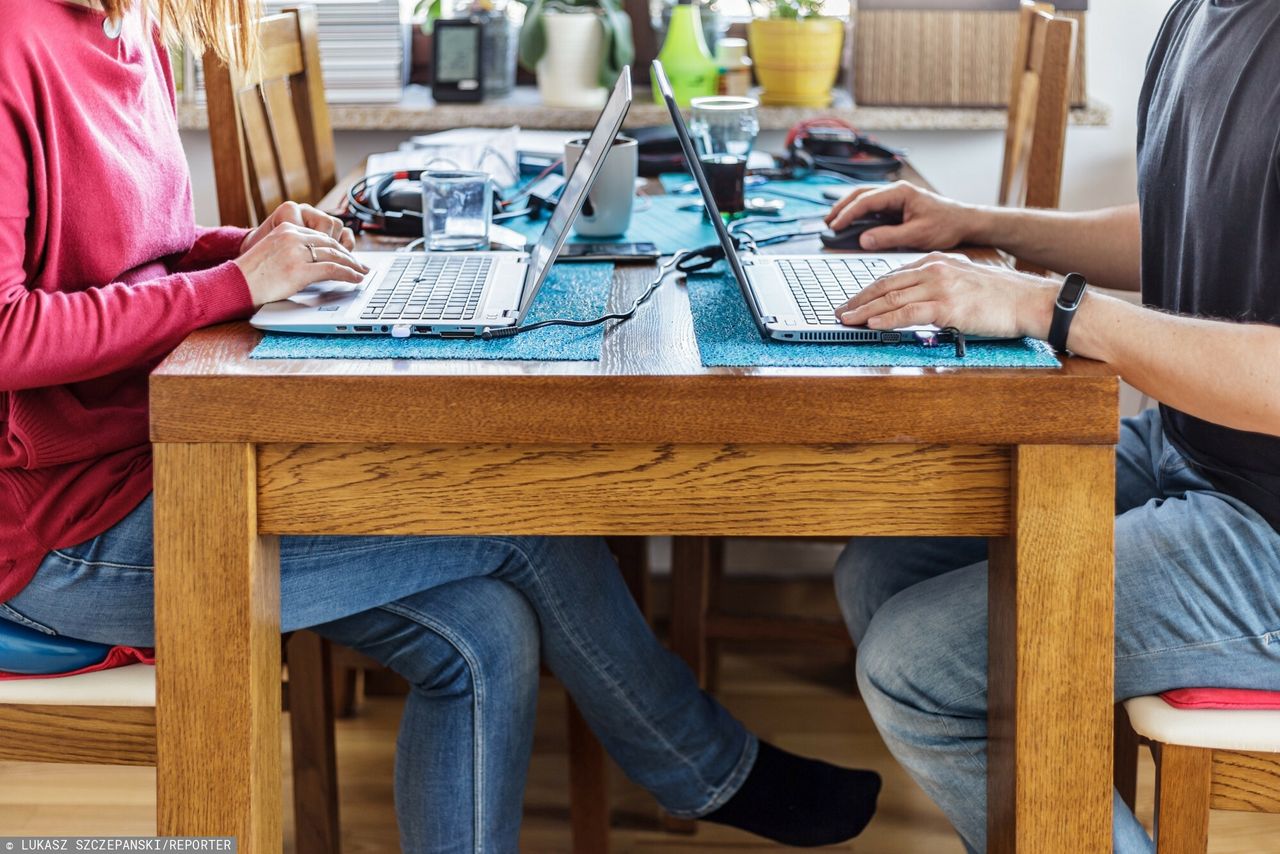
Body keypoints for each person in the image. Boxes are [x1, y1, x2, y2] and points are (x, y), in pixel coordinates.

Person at [0, 0, 884, 850]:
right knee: (523, 519)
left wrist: (248, 248)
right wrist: (234, 285)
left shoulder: (130, 25)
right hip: (60, 532)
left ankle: (704, 768)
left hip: (165, 463)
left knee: (486, 634)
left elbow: (133, 252)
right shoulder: (13, 41)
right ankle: (707, 772)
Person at [824, 1, 1280, 851]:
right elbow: (1181, 231)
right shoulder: (1201, 16)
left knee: (917, 668)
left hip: (1268, 527)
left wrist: (1047, 307)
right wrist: (978, 226)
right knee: (884, 567)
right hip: (1194, 448)